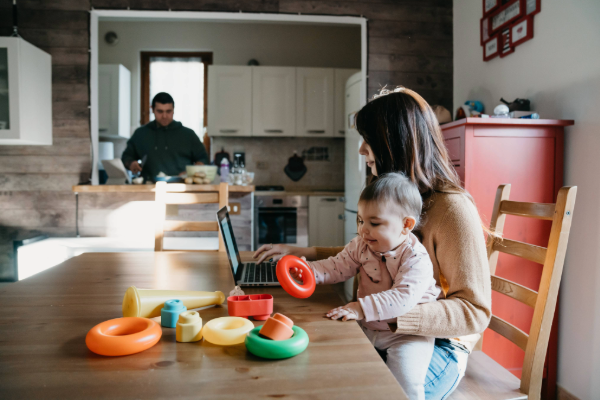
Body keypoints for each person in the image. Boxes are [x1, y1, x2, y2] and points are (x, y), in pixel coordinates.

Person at [254, 87, 491, 400]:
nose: (362, 150)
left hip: (437, 342)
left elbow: (474, 312)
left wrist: (392, 315)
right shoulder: (386, 199)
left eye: (369, 139)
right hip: (378, 324)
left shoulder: (452, 209)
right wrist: (307, 255)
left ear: (397, 143)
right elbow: (367, 254)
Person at [299, 173, 440, 399]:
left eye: (374, 223)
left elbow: (402, 298)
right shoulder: (362, 245)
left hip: (406, 335)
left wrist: (359, 308)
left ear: (406, 225)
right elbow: (337, 265)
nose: (363, 229)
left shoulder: (416, 259)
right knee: (334, 367)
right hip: (367, 327)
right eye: (361, 220)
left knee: (405, 385)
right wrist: (309, 272)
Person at [122, 92, 209, 181]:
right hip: (149, 187)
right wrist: (131, 164)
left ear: (173, 110)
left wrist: (192, 172)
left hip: (182, 186)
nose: (164, 116)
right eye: (160, 111)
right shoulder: (141, 133)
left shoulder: (188, 134)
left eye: (168, 111)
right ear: (152, 109)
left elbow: (203, 158)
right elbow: (126, 156)